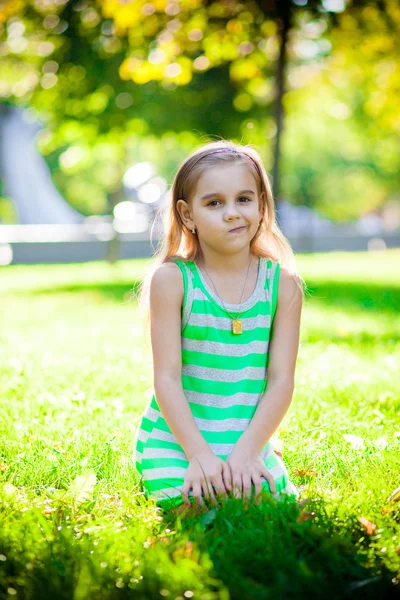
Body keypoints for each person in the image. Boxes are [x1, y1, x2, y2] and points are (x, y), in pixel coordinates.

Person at [133, 139, 305, 517]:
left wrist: (246, 452)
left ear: (261, 205)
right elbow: (167, 379)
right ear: (187, 213)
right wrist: (199, 455)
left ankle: (260, 455)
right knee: (193, 505)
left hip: (247, 436)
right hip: (180, 438)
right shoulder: (173, 281)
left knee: (268, 509)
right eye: (214, 203)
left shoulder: (283, 285)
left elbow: (281, 381)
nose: (232, 213)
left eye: (244, 199)